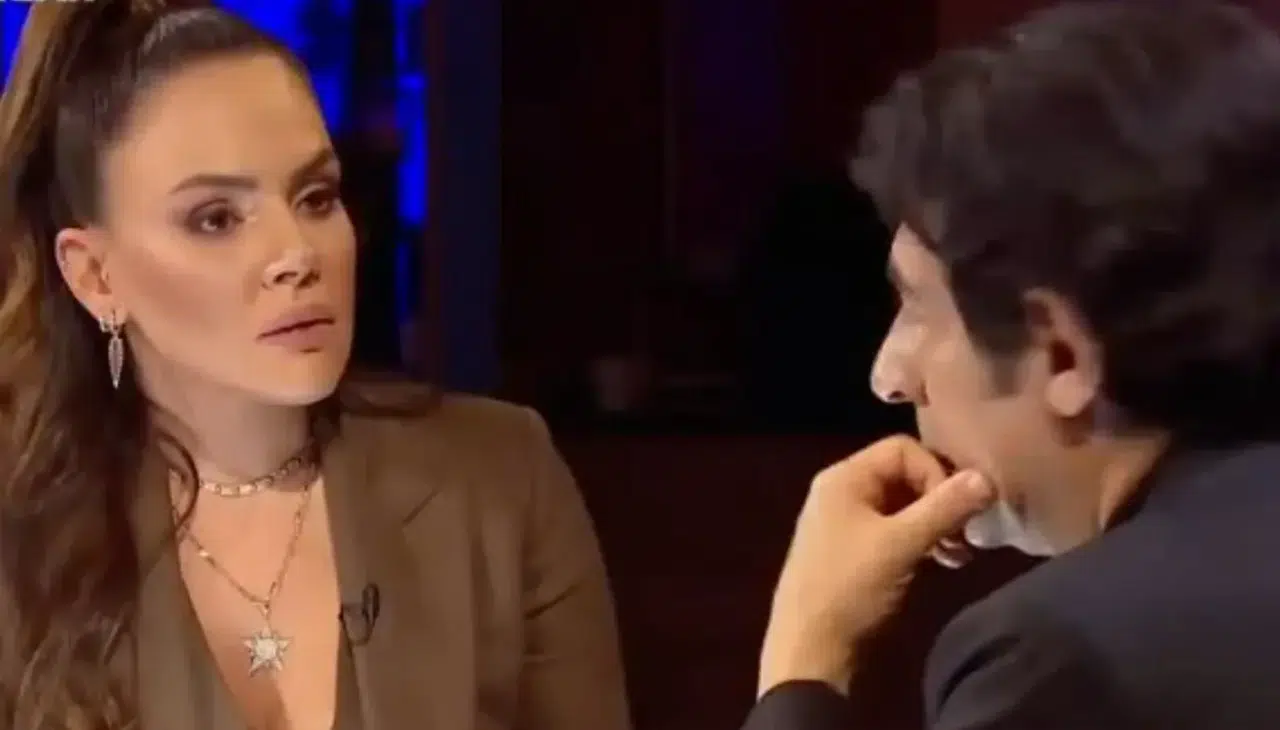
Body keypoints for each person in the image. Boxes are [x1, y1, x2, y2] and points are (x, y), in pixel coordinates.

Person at [0, 2, 630, 730]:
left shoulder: (500, 478)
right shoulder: (22, 539)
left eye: (315, 197)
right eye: (215, 218)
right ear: (95, 276)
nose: (297, 254)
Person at [743, 2, 1280, 729]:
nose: (889, 377)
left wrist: (804, 663)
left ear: (1063, 354)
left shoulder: (1058, 656)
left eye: (920, 307)